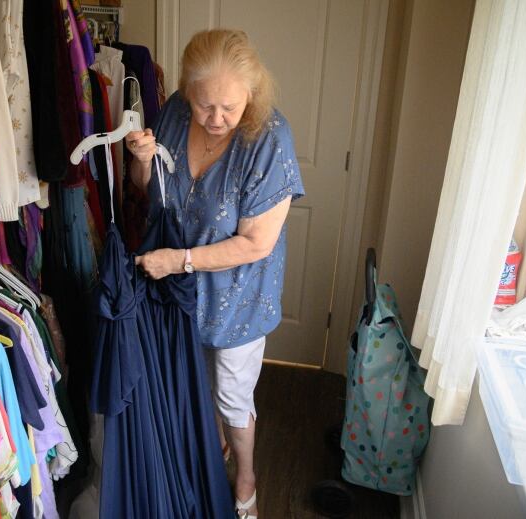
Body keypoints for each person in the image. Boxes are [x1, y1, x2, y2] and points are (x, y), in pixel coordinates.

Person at [125, 29, 304, 518]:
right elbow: (152, 191)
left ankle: (246, 474)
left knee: (230, 392)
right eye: (206, 106)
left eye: (230, 107)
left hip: (236, 297)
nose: (217, 118)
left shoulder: (269, 137)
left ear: (252, 92)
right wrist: (141, 162)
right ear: (186, 91)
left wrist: (177, 260)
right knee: (194, 383)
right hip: (179, 291)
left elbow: (256, 242)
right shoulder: (178, 113)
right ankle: (211, 448)